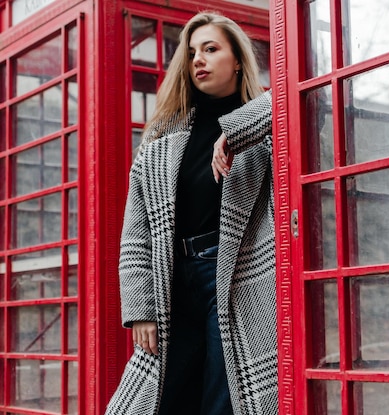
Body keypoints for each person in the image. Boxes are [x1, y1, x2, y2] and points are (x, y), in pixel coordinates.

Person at [105, 11, 276, 415]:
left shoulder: (262, 131)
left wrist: (237, 130)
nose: (198, 58)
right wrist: (139, 309)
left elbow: (299, 96)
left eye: (211, 49)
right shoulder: (163, 137)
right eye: (192, 52)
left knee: (224, 400)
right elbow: (136, 231)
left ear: (237, 60)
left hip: (235, 277)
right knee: (162, 401)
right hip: (173, 280)